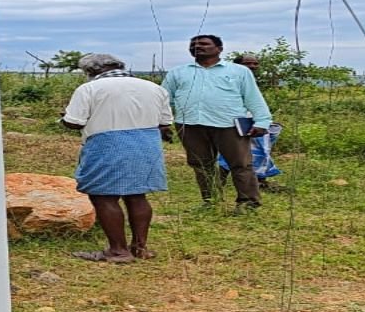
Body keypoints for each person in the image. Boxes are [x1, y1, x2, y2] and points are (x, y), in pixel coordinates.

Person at [61, 53, 173, 263]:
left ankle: (118, 251)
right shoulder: (153, 87)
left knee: (104, 196)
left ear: (91, 71)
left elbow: (74, 122)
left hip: (107, 143)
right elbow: (164, 122)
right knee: (138, 195)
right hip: (146, 142)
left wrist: (64, 118)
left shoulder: (89, 88)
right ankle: (140, 247)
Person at [161, 35, 272, 212]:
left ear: (219, 49)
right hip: (190, 125)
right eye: (194, 44)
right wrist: (163, 122)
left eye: (204, 44)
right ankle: (211, 201)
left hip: (229, 125)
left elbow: (253, 97)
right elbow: (164, 99)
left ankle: (248, 203)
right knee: (201, 164)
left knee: (240, 164)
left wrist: (262, 121)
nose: (198, 46)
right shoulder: (178, 72)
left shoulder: (238, 71)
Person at [218, 53, 284, 192]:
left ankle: (260, 181)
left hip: (253, 122)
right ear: (237, 65)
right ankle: (218, 183)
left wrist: (264, 121)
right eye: (248, 63)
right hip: (234, 122)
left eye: (255, 63)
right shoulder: (229, 80)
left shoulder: (251, 80)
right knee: (231, 153)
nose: (252, 66)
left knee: (260, 151)